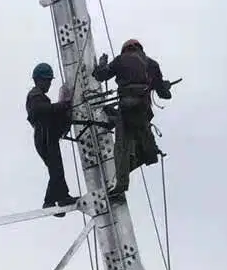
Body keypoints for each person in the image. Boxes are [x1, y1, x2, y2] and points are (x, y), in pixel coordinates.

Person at [91, 38, 172, 198]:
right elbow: (164, 94)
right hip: (142, 111)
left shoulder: (121, 60)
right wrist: (164, 86)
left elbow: (100, 75)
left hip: (127, 110)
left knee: (122, 147)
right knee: (146, 145)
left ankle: (121, 184)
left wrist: (101, 64)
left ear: (125, 49)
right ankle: (149, 154)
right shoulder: (151, 64)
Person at [26, 62, 78, 210]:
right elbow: (43, 110)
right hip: (44, 136)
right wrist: (63, 106)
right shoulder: (35, 96)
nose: (49, 84)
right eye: (47, 80)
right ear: (39, 80)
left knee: (57, 168)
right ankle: (49, 202)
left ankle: (62, 197)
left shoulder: (38, 96)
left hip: (47, 135)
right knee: (55, 169)